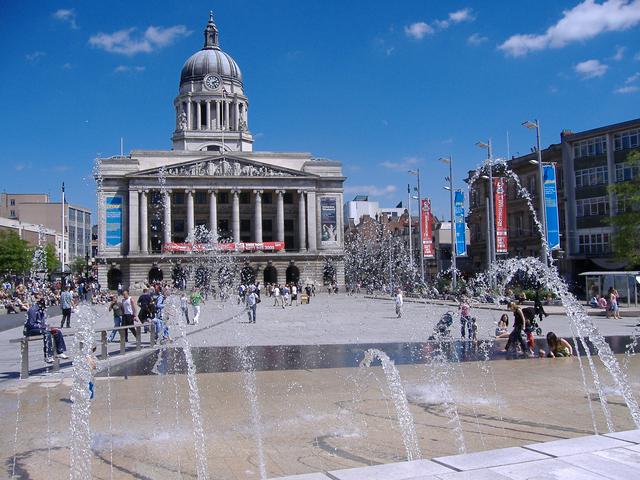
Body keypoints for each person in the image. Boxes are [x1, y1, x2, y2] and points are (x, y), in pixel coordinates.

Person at [24, 298, 68, 363]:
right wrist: (44, 327)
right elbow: (31, 324)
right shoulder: (32, 310)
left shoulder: (42, 310)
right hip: (30, 330)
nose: (45, 308)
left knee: (57, 331)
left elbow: (42, 323)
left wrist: (48, 327)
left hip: (40, 329)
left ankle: (60, 352)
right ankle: (48, 356)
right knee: (47, 333)